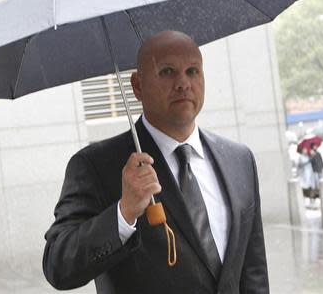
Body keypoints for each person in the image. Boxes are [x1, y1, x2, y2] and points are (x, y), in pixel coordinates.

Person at [43, 31, 269, 294]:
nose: (183, 83)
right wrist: (124, 212)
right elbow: (57, 266)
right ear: (137, 86)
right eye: (167, 72)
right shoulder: (96, 166)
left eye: (193, 71)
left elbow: (253, 273)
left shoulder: (239, 160)